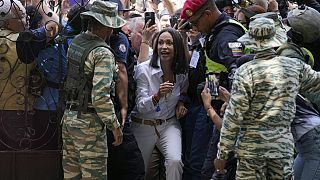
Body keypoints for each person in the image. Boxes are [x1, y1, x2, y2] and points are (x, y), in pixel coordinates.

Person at [214, 17, 320, 179]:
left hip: (251, 153)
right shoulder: (294, 66)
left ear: (251, 42)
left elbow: (233, 117)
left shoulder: (245, 72)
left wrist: (222, 154)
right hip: (281, 150)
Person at [180, 0, 246, 178]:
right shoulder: (214, 32)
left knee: (209, 167)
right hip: (212, 106)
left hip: (224, 113)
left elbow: (239, 72)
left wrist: (229, 101)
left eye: (195, 23)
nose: (195, 27)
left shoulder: (227, 35)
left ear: (208, 15)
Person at [62, 1, 125, 179]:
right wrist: (115, 126)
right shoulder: (102, 52)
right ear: (106, 25)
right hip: (89, 125)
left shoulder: (77, 42)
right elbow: (100, 96)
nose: (113, 31)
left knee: (72, 176)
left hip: (69, 119)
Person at [131, 28, 189, 180]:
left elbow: (183, 91)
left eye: (169, 43)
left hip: (169, 124)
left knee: (175, 161)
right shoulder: (144, 70)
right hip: (143, 124)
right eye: (161, 43)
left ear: (176, 47)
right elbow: (140, 106)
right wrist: (157, 96)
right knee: (140, 169)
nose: (164, 47)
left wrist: (181, 102)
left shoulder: (181, 72)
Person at [0, 0, 58, 150]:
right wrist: (42, 5)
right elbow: (55, 25)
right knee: (16, 157)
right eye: (22, 16)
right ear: (8, 22)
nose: (27, 20)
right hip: (16, 110)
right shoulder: (23, 41)